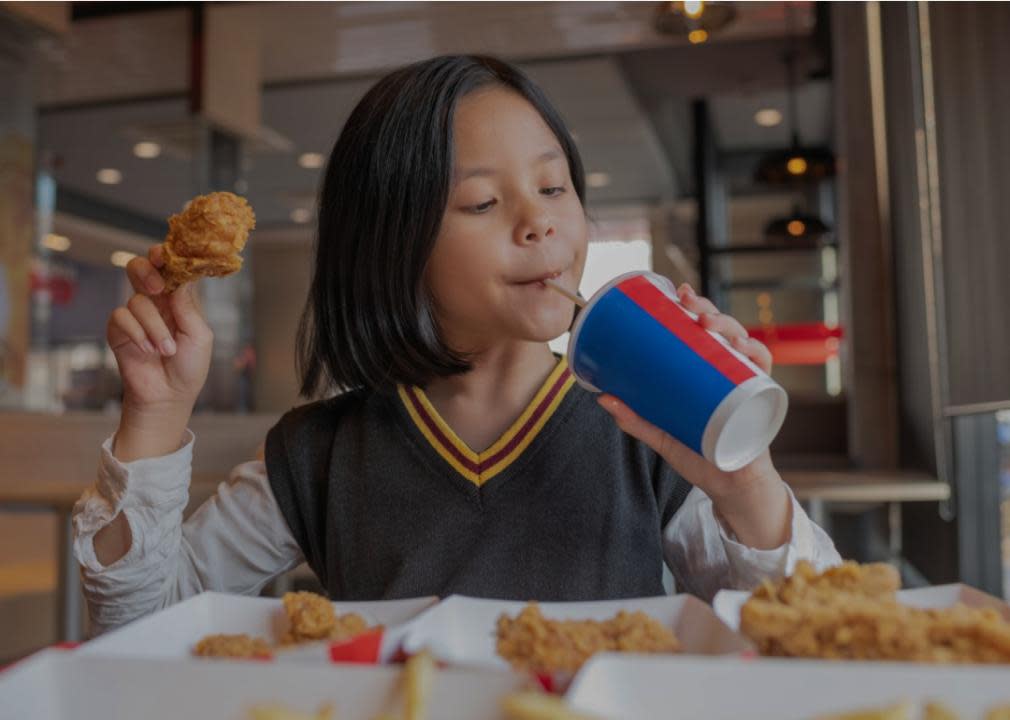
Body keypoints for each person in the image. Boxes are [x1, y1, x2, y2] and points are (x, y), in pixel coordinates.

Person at [73, 55, 839, 635]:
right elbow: (140, 628)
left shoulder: (643, 431)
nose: (538, 222)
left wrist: (745, 484)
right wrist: (157, 411)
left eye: (554, 187)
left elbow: (810, 635)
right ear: (392, 245)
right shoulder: (319, 457)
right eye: (481, 200)